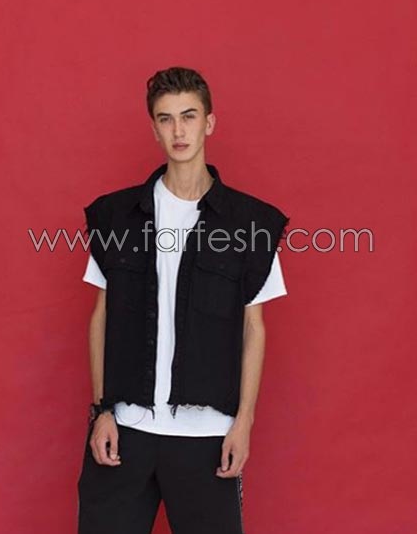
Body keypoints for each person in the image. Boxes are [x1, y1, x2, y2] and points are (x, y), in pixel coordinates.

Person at [77, 66, 289, 534]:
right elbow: (101, 316)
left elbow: (254, 328)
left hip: (206, 436)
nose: (179, 131)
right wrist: (102, 411)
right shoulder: (116, 217)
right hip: (126, 430)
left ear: (209, 123)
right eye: (166, 119)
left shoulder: (249, 224)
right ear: (154, 129)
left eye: (189, 116)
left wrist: (243, 424)